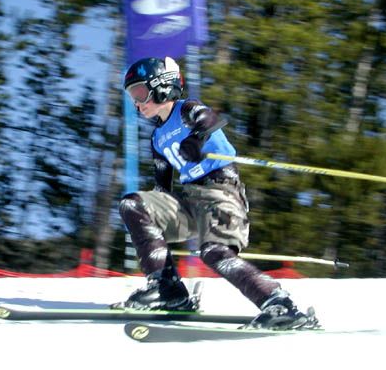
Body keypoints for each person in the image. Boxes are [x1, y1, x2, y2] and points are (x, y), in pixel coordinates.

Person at [113, 56, 318, 330]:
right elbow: (162, 189)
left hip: (221, 191)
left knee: (214, 252)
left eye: (139, 92)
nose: (137, 102)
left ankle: (280, 304)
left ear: (162, 86)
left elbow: (209, 119)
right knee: (133, 205)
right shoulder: (157, 138)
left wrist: (197, 138)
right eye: (131, 96)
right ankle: (167, 289)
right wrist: (151, 223)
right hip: (190, 198)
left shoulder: (186, 109)